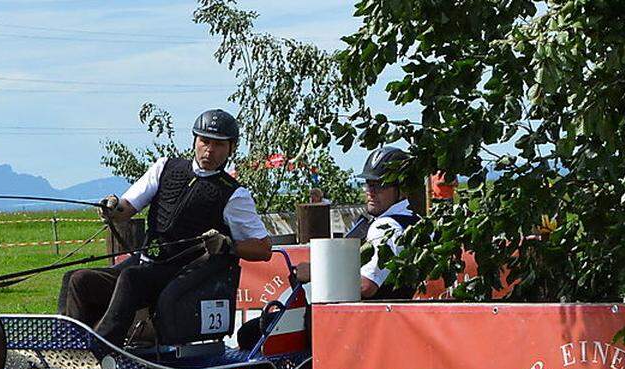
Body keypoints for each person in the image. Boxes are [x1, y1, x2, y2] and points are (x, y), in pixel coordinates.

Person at [58, 109, 272, 344]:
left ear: (231, 148)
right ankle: (69, 347)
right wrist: (111, 207)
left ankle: (102, 348)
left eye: (219, 145)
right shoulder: (165, 167)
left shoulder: (234, 194)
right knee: (77, 279)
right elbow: (126, 208)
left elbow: (263, 248)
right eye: (205, 141)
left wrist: (228, 244)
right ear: (195, 140)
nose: (209, 150)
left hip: (183, 273)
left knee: (131, 279)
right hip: (148, 263)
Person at [297, 146, 419, 299]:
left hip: (374, 317)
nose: (370, 191)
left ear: (402, 189)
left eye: (380, 185)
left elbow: (366, 285)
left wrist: (316, 273)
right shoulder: (417, 223)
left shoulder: (385, 227)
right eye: (368, 184)